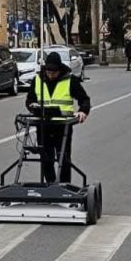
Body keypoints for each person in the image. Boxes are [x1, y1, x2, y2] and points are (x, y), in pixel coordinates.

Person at [26, 51, 91, 183]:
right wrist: (32, 105)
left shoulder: (70, 80)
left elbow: (84, 99)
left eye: (54, 72)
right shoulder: (38, 80)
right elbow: (30, 99)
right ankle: (50, 185)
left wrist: (82, 111)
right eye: (48, 72)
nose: (50, 75)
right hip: (44, 126)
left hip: (63, 127)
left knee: (64, 159)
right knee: (46, 159)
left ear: (59, 69)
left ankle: (64, 186)